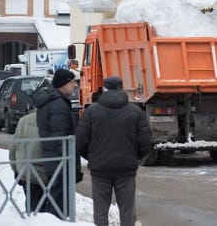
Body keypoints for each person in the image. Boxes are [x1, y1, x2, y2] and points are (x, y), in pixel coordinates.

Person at [76, 76, 152, 226]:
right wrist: (134, 157)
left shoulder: (91, 112)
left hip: (100, 169)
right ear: (121, 88)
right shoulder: (135, 111)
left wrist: (92, 156)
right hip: (126, 169)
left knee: (100, 210)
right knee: (127, 210)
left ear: (104, 89)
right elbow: (145, 141)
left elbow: (80, 141)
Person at [33, 68, 83, 219]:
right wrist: (69, 161)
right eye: (73, 82)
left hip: (53, 161)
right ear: (64, 84)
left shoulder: (51, 102)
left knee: (57, 203)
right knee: (59, 206)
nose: (75, 86)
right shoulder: (58, 105)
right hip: (60, 163)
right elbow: (60, 138)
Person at [9, 110, 48, 213]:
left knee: (31, 207)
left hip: (25, 172)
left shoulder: (24, 120)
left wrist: (16, 170)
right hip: (45, 174)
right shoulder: (52, 120)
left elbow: (13, 149)